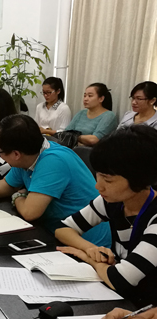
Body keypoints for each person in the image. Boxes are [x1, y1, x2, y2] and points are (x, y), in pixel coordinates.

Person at [55, 125, 157, 305]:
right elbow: (63, 229)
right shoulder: (113, 201)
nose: (98, 186)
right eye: (98, 176)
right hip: (119, 297)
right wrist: (90, 248)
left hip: (145, 306)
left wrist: (88, 258)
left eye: (108, 180)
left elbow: (121, 280)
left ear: (139, 178)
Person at [0, 115, 111, 246]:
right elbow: (8, 184)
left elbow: (30, 213)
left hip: (87, 243)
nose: (1, 157)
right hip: (56, 232)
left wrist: (17, 197)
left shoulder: (53, 161)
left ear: (16, 154)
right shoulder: (28, 155)